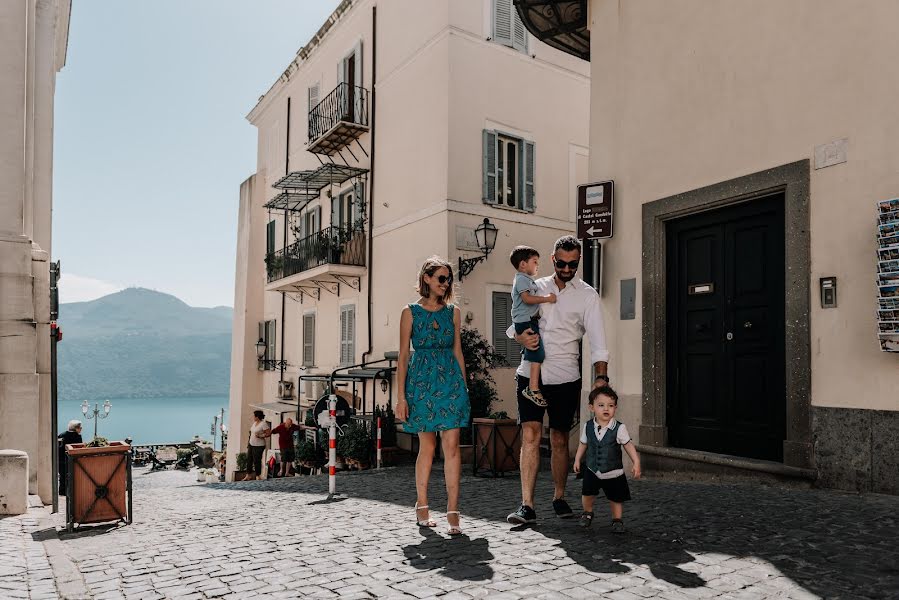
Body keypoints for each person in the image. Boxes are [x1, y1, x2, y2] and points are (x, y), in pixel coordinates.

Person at [507, 235, 611, 525]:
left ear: (578, 261)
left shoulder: (587, 295)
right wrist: (518, 336)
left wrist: (601, 377)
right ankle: (527, 505)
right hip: (530, 374)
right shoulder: (533, 286)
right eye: (562, 263)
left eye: (573, 264)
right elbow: (512, 324)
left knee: (559, 438)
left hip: (566, 375)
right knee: (529, 435)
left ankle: (559, 496)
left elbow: (599, 340)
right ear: (553, 259)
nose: (567, 268)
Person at [396, 256, 470, 536]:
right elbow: (403, 357)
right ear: (426, 279)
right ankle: (423, 505)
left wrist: (464, 387)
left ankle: (453, 510)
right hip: (421, 383)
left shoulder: (453, 312)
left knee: (451, 447)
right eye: (441, 278)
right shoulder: (410, 312)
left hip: (450, 382)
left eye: (448, 278)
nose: (446, 283)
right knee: (426, 447)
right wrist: (401, 397)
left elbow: (458, 351)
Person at [573, 386, 641, 532]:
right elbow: (583, 444)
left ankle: (617, 519)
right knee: (587, 493)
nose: (606, 409)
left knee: (615, 498)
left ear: (615, 408)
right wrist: (577, 459)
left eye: (610, 406)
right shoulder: (588, 426)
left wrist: (636, 462)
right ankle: (587, 513)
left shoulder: (619, 428)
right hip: (592, 469)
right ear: (592, 408)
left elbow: (628, 445)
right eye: (601, 405)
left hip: (613, 472)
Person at [510, 245, 557, 407]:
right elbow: (527, 299)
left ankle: (533, 387)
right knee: (538, 354)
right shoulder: (522, 279)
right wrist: (547, 299)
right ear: (523, 264)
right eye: (535, 262)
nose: (537, 265)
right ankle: (533, 388)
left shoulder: (526, 280)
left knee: (534, 351)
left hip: (527, 320)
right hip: (525, 321)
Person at [242, 410, 270, 481]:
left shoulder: (263, 424)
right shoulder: (254, 423)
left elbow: (269, 433)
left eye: (254, 416)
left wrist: (261, 435)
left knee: (257, 460)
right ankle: (248, 475)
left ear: (257, 417)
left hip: (259, 445)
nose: (253, 417)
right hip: (251, 444)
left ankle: (258, 475)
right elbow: (251, 433)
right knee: (249, 460)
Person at [57, 420, 83, 496]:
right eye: (80, 427)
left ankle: (62, 492)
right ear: (76, 428)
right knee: (72, 477)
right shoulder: (77, 437)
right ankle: (70, 492)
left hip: (60, 459)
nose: (81, 429)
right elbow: (79, 448)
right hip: (71, 460)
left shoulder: (62, 435)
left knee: (62, 476)